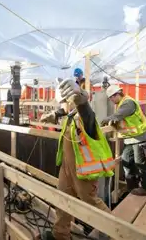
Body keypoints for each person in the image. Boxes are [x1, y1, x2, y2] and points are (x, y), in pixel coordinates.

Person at [40, 79, 115, 240]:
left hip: (84, 172)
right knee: (62, 201)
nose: (64, 104)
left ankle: (113, 233)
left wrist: (80, 96)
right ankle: (60, 234)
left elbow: (85, 109)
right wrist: (53, 115)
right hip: (67, 169)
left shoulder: (87, 117)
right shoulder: (70, 116)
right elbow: (65, 113)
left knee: (92, 203)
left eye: (66, 101)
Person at [101, 85, 146, 196]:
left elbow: (118, 115)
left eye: (111, 98)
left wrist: (105, 120)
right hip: (130, 139)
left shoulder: (128, 103)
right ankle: (132, 185)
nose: (111, 101)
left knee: (141, 163)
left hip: (140, 138)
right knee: (126, 160)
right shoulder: (121, 104)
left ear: (116, 94)